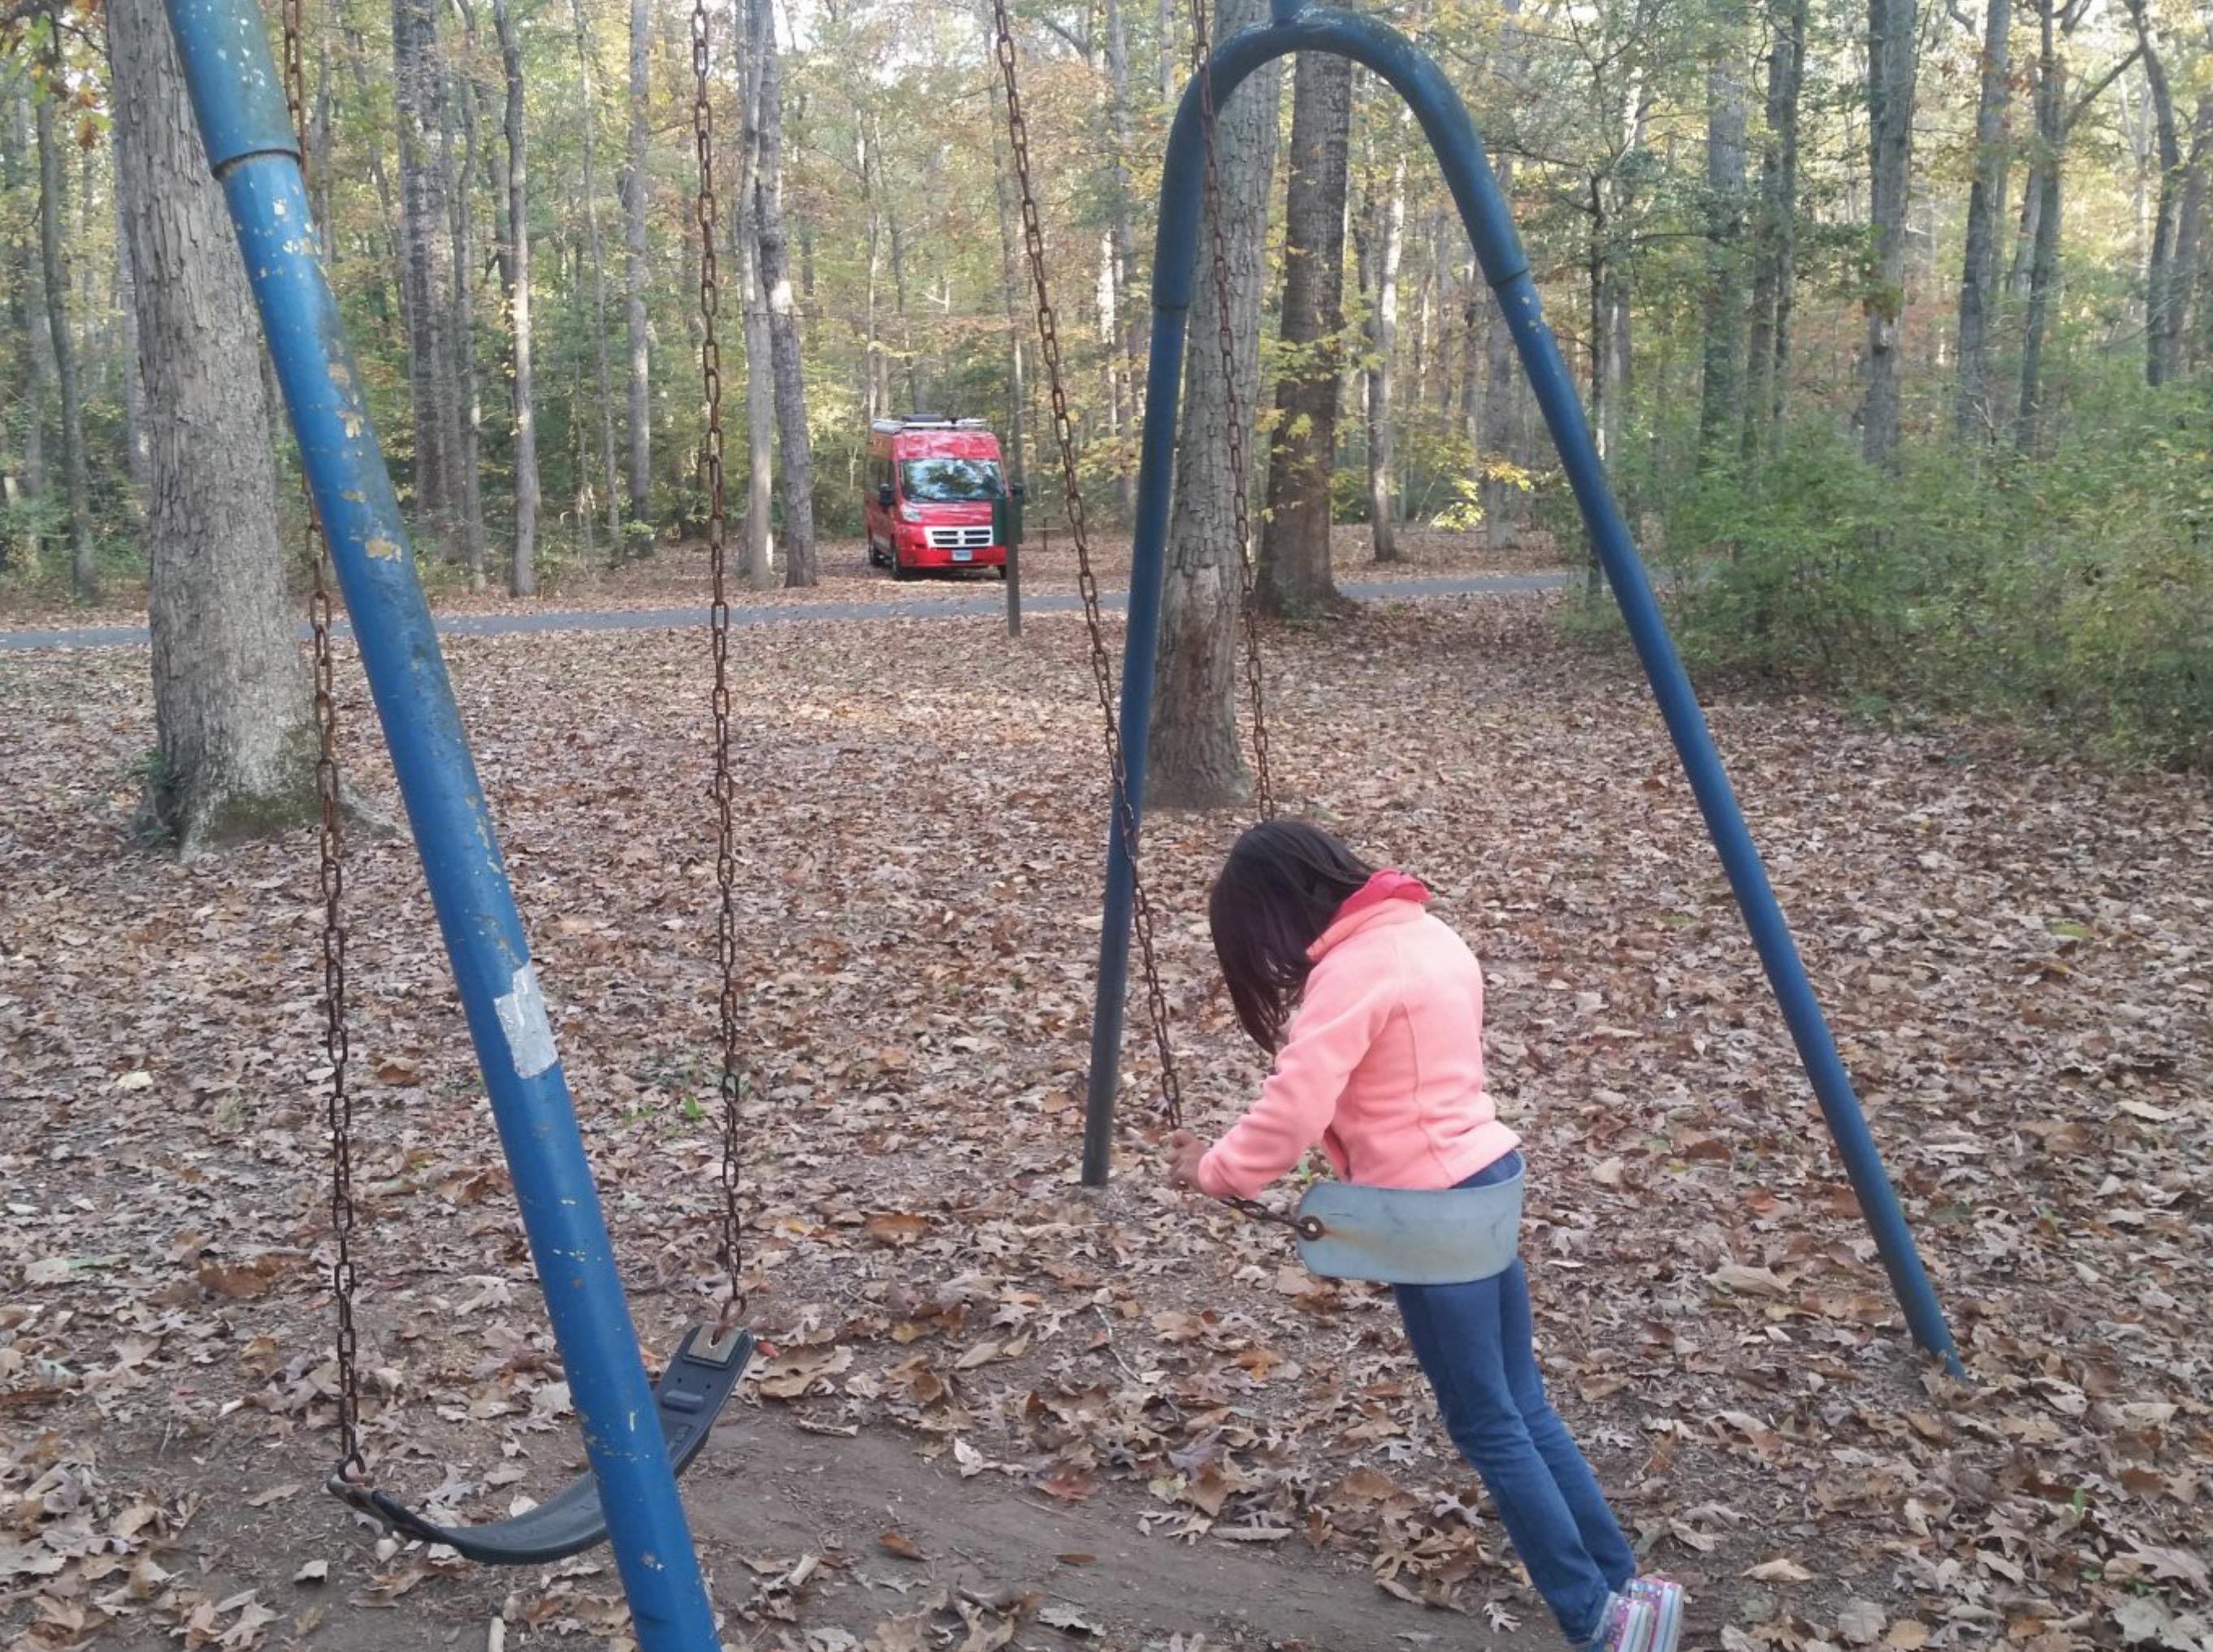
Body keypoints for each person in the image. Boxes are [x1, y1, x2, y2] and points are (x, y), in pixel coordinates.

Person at [1165, 819, 1684, 1652]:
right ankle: (1628, 1591)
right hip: (1485, 1179)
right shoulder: (1426, 932)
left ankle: (1595, 1619)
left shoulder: (1354, 970)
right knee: (1524, 1405)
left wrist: (1217, 1171)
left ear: (1286, 906)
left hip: (1430, 1214)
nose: (1275, 959)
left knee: (1488, 1424)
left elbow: (1295, 1105)